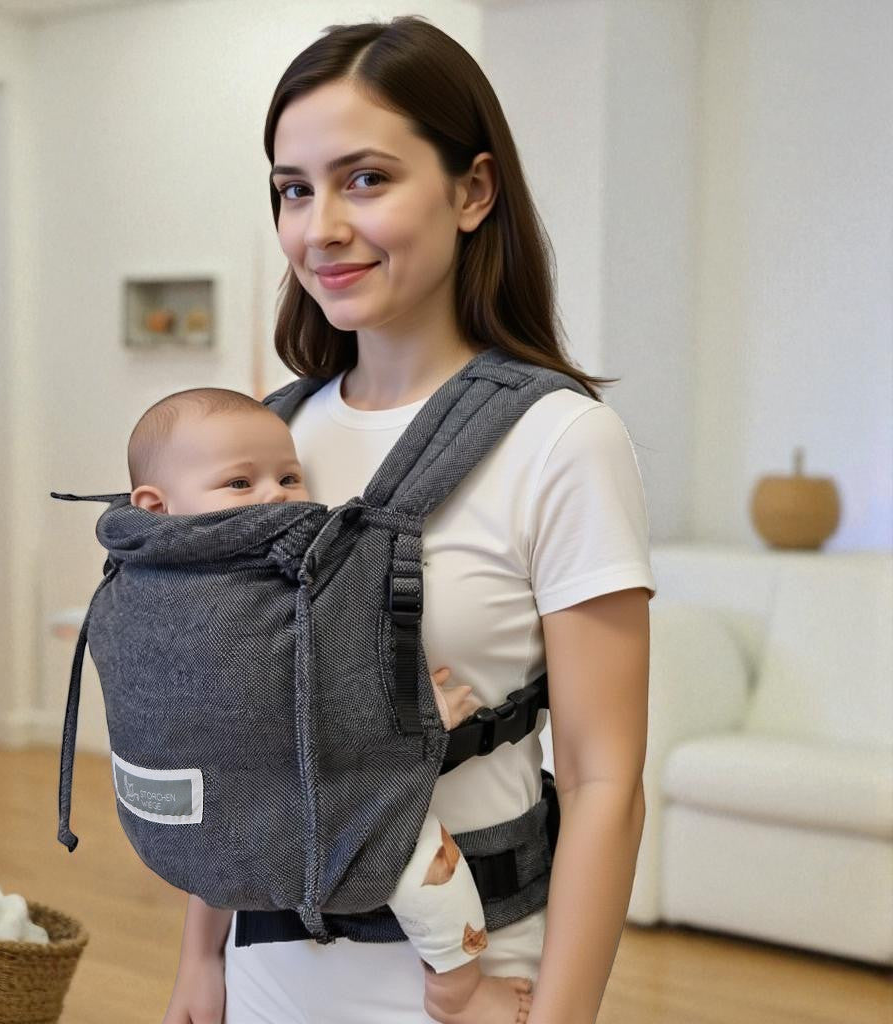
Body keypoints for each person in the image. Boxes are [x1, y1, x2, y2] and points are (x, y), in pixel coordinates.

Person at [163, 15, 656, 1024]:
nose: (319, 227)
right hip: (267, 964)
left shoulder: (562, 441)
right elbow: (240, 737)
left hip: (469, 986)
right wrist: (199, 961)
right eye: (293, 190)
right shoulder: (269, 447)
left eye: (365, 179)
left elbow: (605, 779)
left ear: (473, 190)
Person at [128, 386, 536, 1023]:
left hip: (250, 811)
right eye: (240, 483)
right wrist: (414, 718)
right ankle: (458, 991)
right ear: (157, 507)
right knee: (423, 859)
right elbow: (291, 697)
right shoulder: (214, 595)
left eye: (289, 476)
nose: (276, 495)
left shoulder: (180, 579)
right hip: (292, 809)